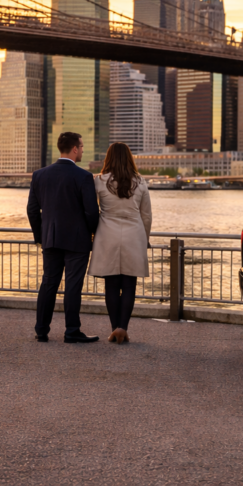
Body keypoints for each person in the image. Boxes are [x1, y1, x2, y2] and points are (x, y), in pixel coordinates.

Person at [27, 132, 100, 344]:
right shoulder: (84, 177)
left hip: (50, 238)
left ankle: (41, 330)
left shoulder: (40, 175)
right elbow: (91, 212)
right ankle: (72, 331)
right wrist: (93, 232)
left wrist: (40, 235)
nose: (83, 150)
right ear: (75, 149)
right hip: (77, 241)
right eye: (82, 146)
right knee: (73, 286)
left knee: (48, 283)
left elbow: (32, 209)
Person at [88, 142, 153, 344]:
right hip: (134, 235)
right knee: (129, 285)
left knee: (111, 286)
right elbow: (147, 216)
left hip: (107, 235)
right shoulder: (140, 182)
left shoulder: (99, 181)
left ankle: (114, 328)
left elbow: (91, 211)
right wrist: (146, 239)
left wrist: (92, 235)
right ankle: (123, 328)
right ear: (129, 158)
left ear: (108, 158)